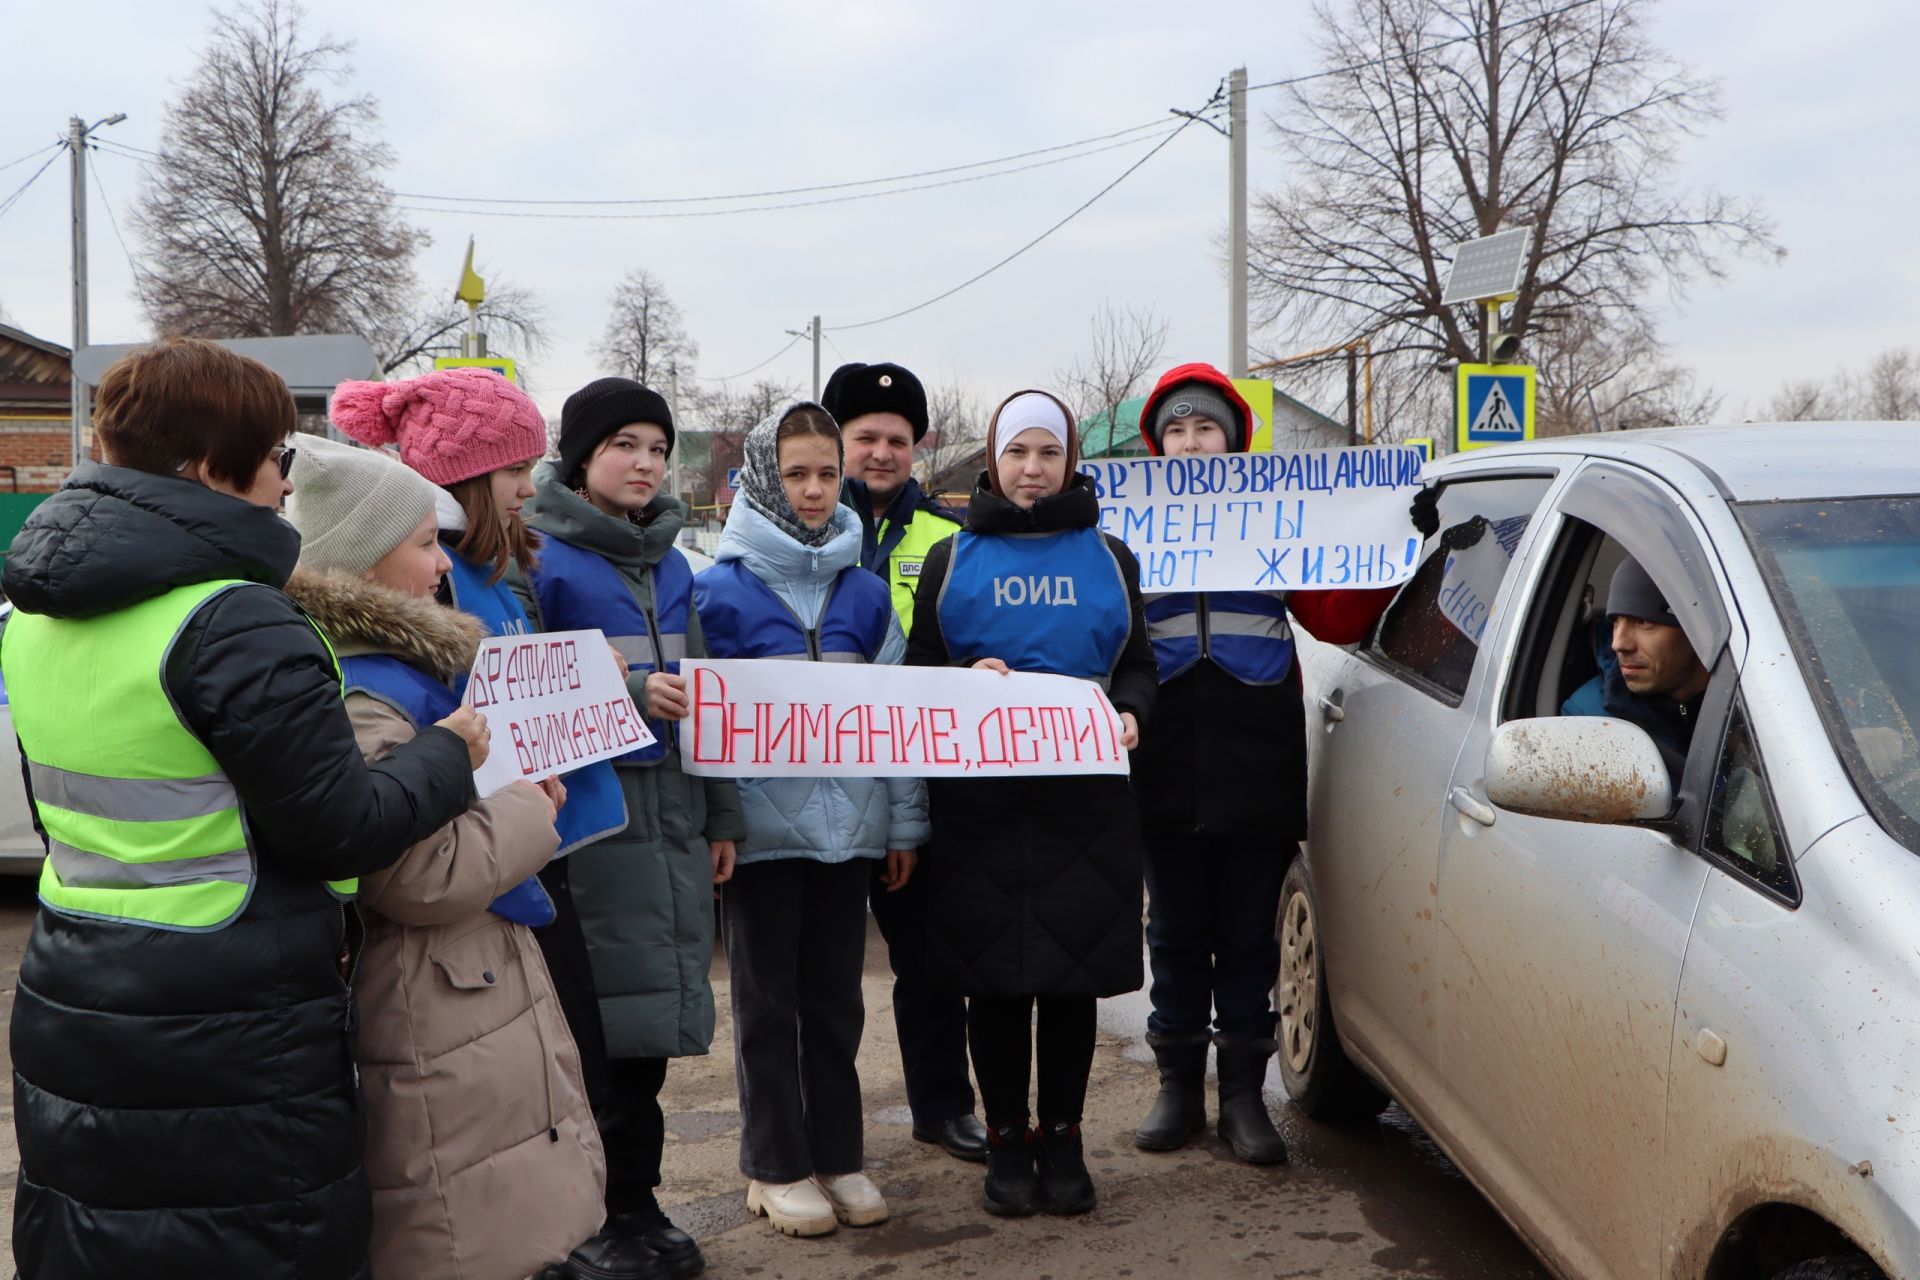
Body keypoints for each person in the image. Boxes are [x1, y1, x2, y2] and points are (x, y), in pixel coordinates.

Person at [0, 338, 485, 1279]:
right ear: (215, 469)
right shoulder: (236, 619)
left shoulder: (35, 615)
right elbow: (340, 827)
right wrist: (447, 755)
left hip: (76, 990)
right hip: (230, 1021)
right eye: (273, 460)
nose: (282, 486)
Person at [332, 368, 647, 1280]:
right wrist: (521, 797)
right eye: (517, 466)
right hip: (486, 869)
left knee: (553, 1069)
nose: (529, 484)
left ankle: (561, 1232)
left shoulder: (507, 578)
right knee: (488, 1101)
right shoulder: (433, 607)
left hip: (527, 850)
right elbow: (425, 822)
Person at [1124, 364, 1399, 1165]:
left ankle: (1243, 1096)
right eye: (1174, 430)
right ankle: (1177, 1088)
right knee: (1173, 935)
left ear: (1235, 439)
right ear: (1156, 445)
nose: (1189, 443)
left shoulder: (1278, 518)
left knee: (1249, 937)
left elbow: (1337, 612)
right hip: (1162, 760)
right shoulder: (1129, 531)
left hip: (1258, 757)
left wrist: (1394, 539)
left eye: (1204, 427)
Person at [905, 389, 1158, 1218]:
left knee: (1071, 980)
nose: (1033, 469)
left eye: (1048, 453)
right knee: (996, 983)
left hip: (1085, 799)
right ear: (992, 458)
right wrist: (958, 682)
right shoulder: (951, 560)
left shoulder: (1111, 557)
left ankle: (1066, 1136)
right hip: (981, 803)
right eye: (1018, 453)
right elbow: (915, 672)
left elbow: (1140, 668)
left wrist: (1130, 714)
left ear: (1071, 462)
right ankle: (1008, 1139)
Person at [520, 376, 748, 1279]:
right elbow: (523, 689)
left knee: (649, 1038)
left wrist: (722, 812)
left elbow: (712, 705)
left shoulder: (677, 565)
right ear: (582, 457)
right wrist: (621, 690)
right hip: (591, 828)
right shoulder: (542, 560)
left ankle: (639, 1200)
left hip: (675, 822)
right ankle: (593, 1214)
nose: (646, 463)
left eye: (658, 448)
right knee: (593, 1037)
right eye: (626, 446)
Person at [692, 402, 929, 1239]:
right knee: (766, 1006)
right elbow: (704, 726)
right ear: (762, 478)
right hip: (759, 842)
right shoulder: (716, 594)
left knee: (836, 1003)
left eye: (828, 472)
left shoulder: (866, 594)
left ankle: (839, 1155)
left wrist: (902, 825)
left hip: (849, 836)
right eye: (797, 473)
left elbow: (897, 717)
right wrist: (719, 822)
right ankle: (775, 1164)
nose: (816, 489)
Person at [821, 360, 985, 1164]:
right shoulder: (803, 533)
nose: (881, 453)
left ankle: (943, 1107)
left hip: (916, 779)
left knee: (927, 957)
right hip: (817, 775)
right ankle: (821, 1128)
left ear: (918, 446)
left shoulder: (951, 540)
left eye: (897, 439)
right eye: (864, 438)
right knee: (818, 972)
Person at [1562, 556, 1708, 779]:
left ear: (1695, 630)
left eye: (1643, 623)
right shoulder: (1590, 722)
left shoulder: (1754, 706)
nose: (1619, 643)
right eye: (1615, 622)